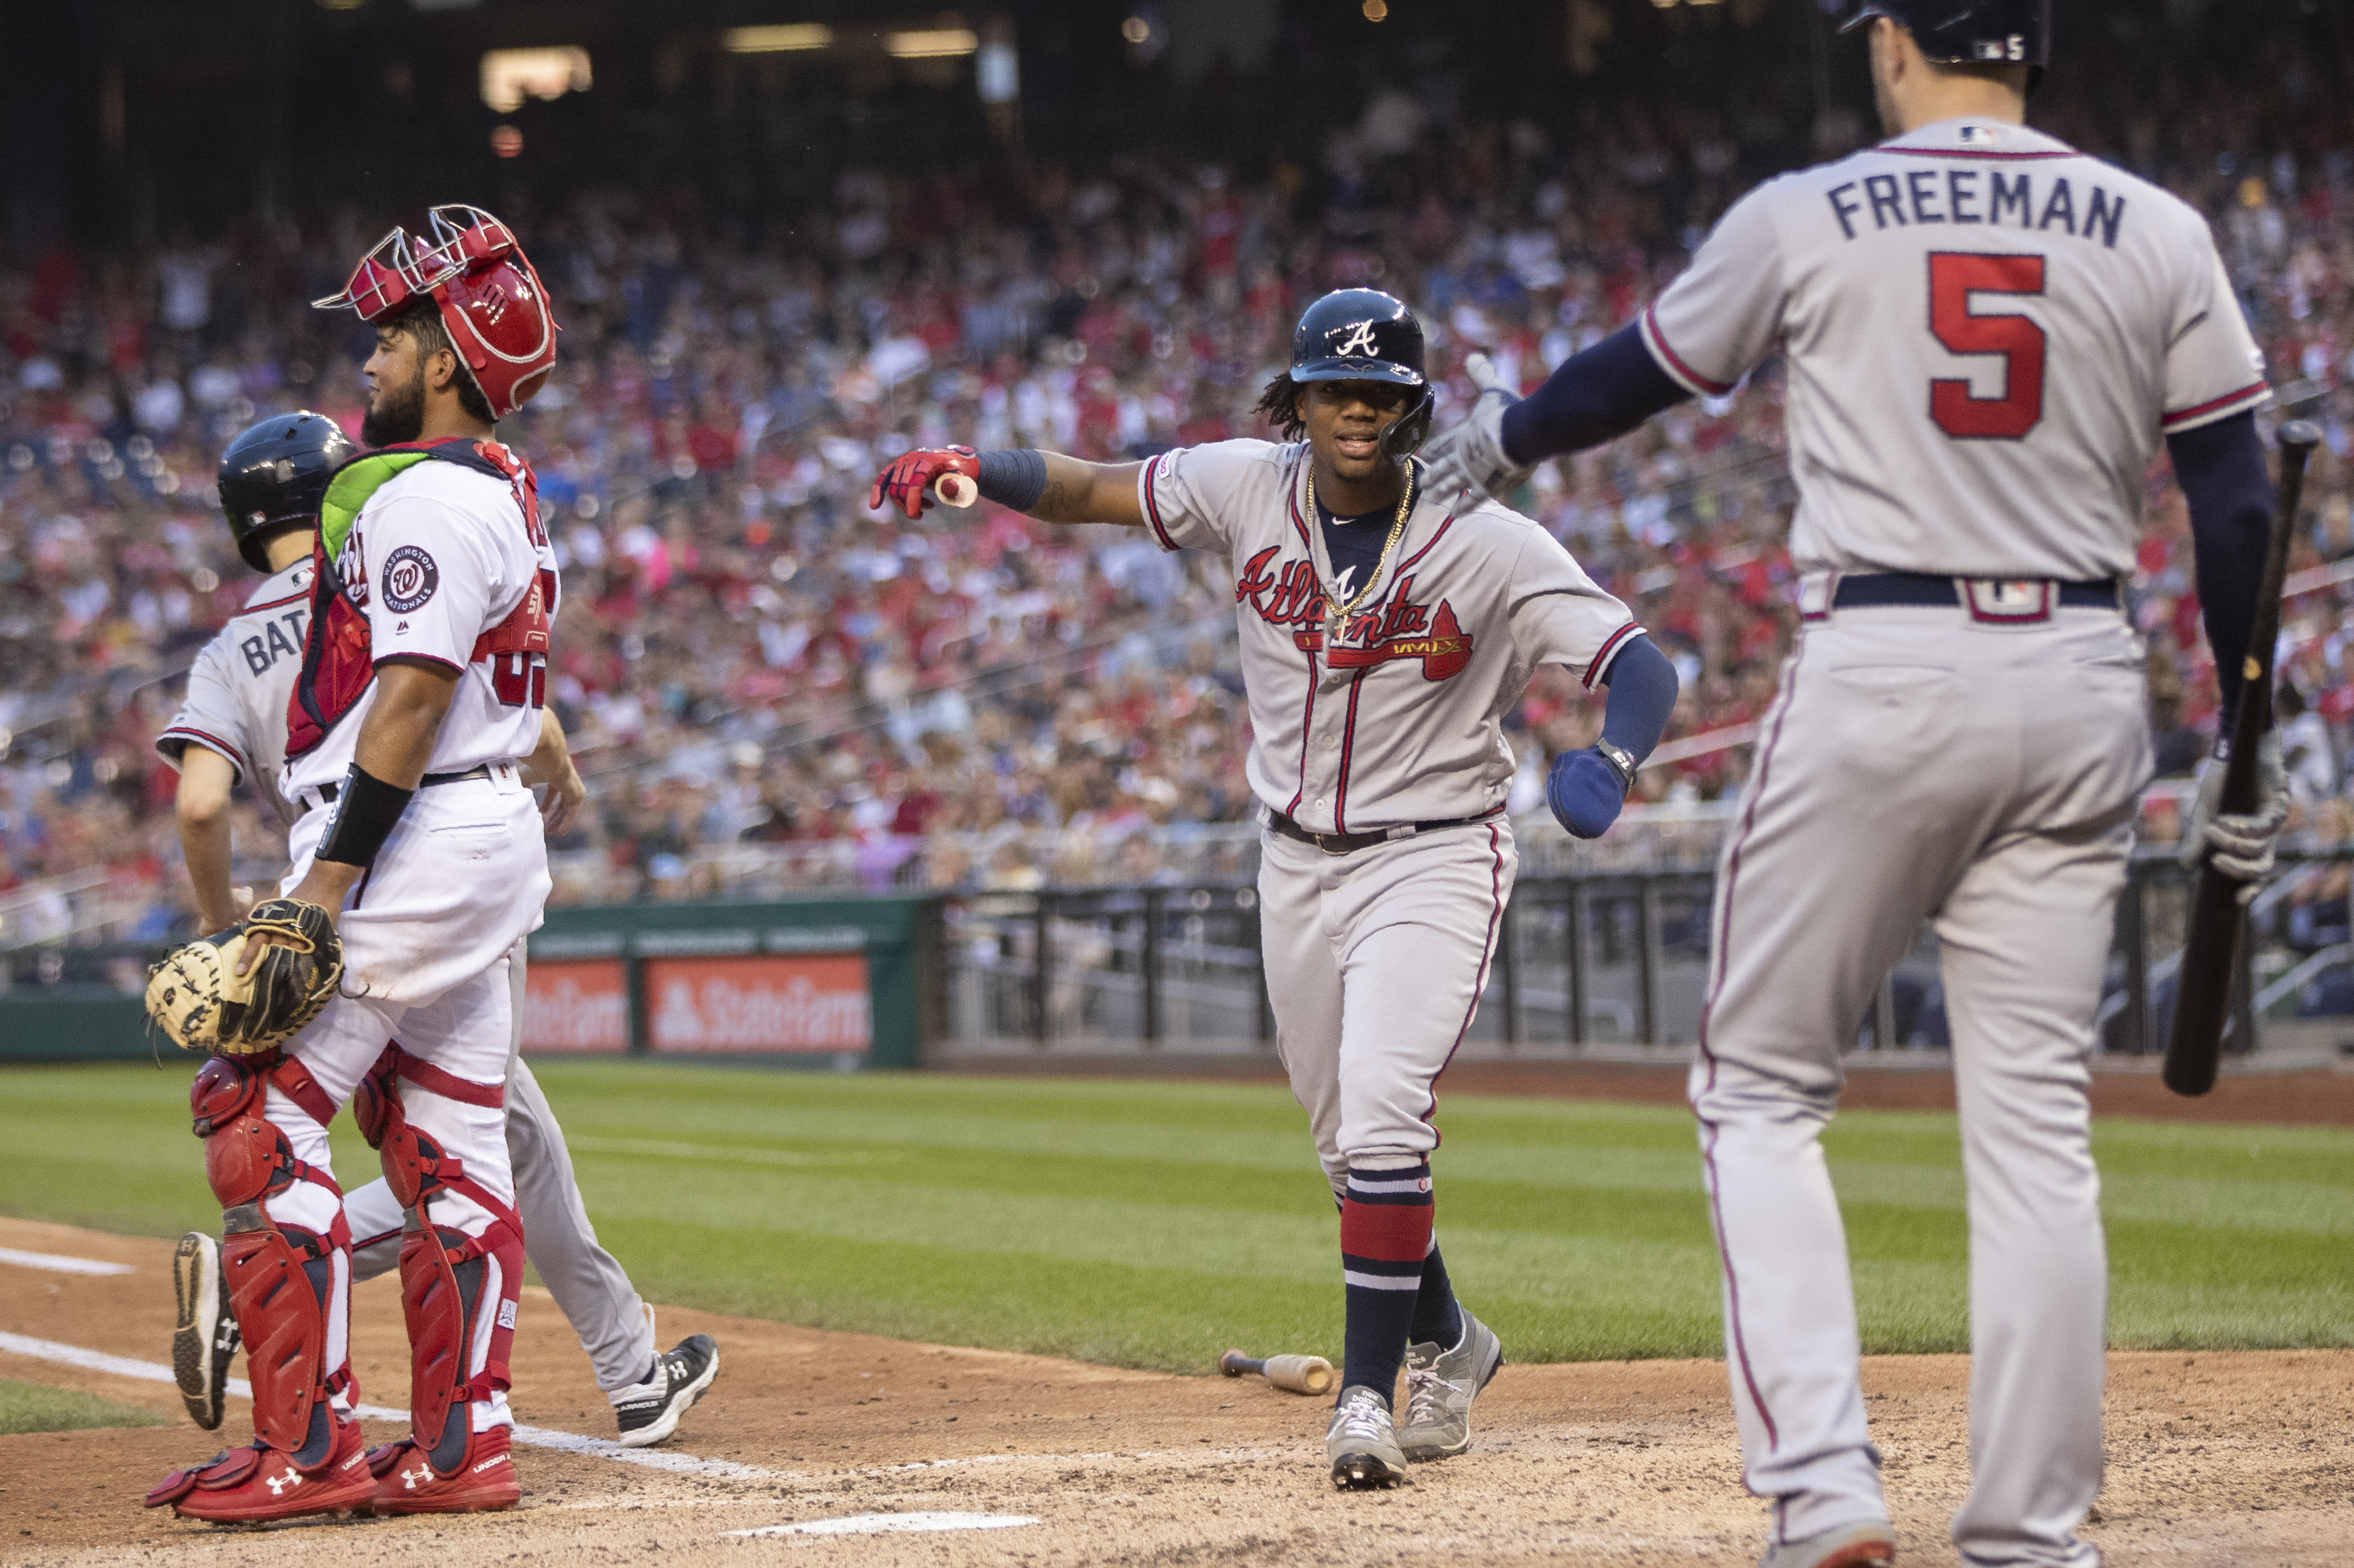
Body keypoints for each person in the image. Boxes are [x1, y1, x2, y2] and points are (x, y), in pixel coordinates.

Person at [1419, 3, 2282, 1565]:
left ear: (1891, 44)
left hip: (1883, 656)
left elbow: (1640, 374)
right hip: (2082, 667)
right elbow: (2233, 494)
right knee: (2031, 1128)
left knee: (1756, 1085)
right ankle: (2026, 1532)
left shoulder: (1809, 209)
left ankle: (1823, 1494)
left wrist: (1507, 435)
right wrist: (2247, 718)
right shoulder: (2156, 226)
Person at [868, 287, 1680, 1491]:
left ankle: (1366, 1398)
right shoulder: (1248, 483)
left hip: (1435, 850)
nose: (1358, 408)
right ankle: (1452, 1341)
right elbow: (1097, 484)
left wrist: (1612, 759)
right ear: (1297, 399)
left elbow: (1640, 663)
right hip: (1293, 855)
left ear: (1413, 409)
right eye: (1334, 388)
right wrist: (974, 467)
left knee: (1385, 1106)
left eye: (1382, 392)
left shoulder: (1490, 537)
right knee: (1347, 1146)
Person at [156, 412, 719, 1463]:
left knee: (483, 1135)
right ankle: (614, 1375)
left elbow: (198, 806)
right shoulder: (367, 579)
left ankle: (626, 1368)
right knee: (476, 1142)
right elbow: (462, 692)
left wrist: (219, 923)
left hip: (317, 878)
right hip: (429, 863)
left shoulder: (232, 647)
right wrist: (549, 763)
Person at [145, 205, 577, 1524]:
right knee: (449, 1141)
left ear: (445, 354)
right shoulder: (483, 487)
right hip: (467, 832)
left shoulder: (432, 498)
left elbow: (404, 702)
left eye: (392, 332)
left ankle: (309, 1446)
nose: (373, 358)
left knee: (254, 1110)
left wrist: (319, 889)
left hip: (413, 836)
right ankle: (464, 1447)